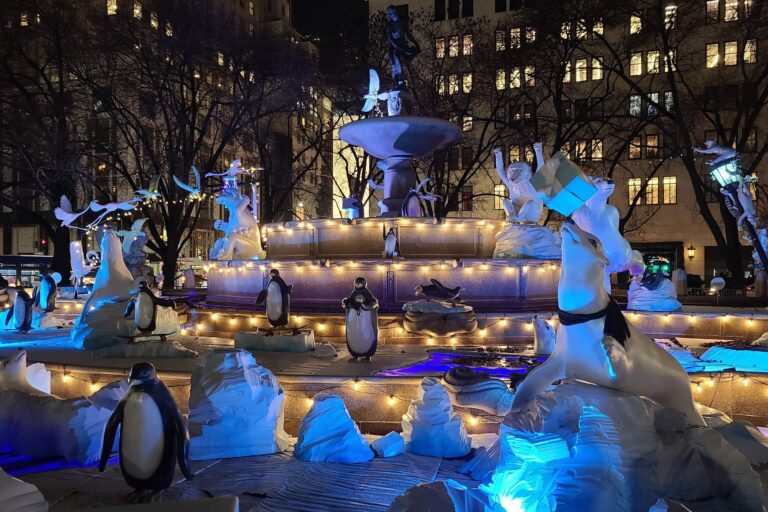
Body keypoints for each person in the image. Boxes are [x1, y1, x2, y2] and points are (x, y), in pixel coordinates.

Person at [385, 5, 420, 87]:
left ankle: (401, 77)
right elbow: (391, 39)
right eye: (388, 14)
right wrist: (398, 47)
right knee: (395, 58)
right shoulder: (389, 25)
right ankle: (399, 78)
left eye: (391, 13)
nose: (390, 15)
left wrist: (416, 43)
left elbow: (408, 35)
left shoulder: (402, 23)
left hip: (403, 44)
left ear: (395, 12)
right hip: (394, 46)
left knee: (406, 57)